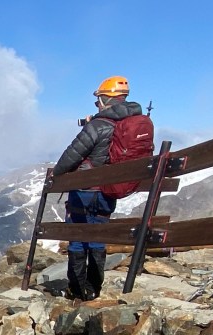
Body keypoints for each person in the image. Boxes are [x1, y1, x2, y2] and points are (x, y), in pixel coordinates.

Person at [53, 75, 145, 300]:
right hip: (109, 191)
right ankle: (94, 288)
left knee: (77, 237)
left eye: (98, 101)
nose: (97, 105)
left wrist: (56, 175)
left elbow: (70, 157)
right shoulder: (133, 123)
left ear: (105, 99)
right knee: (97, 238)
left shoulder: (98, 125)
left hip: (84, 191)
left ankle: (77, 290)